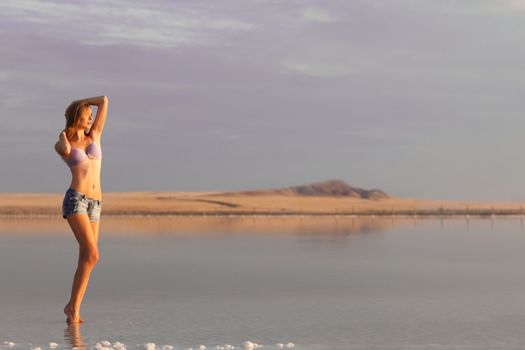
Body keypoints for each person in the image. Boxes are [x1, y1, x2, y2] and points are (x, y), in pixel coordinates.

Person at [54, 95, 109, 323]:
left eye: (91, 116)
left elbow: (104, 101)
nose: (91, 119)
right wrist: (63, 135)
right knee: (93, 254)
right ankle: (72, 308)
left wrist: (81, 101)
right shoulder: (65, 142)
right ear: (78, 117)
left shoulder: (94, 135)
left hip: (96, 203)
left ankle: (73, 309)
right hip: (76, 200)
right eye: (87, 115)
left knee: (88, 258)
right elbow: (60, 147)